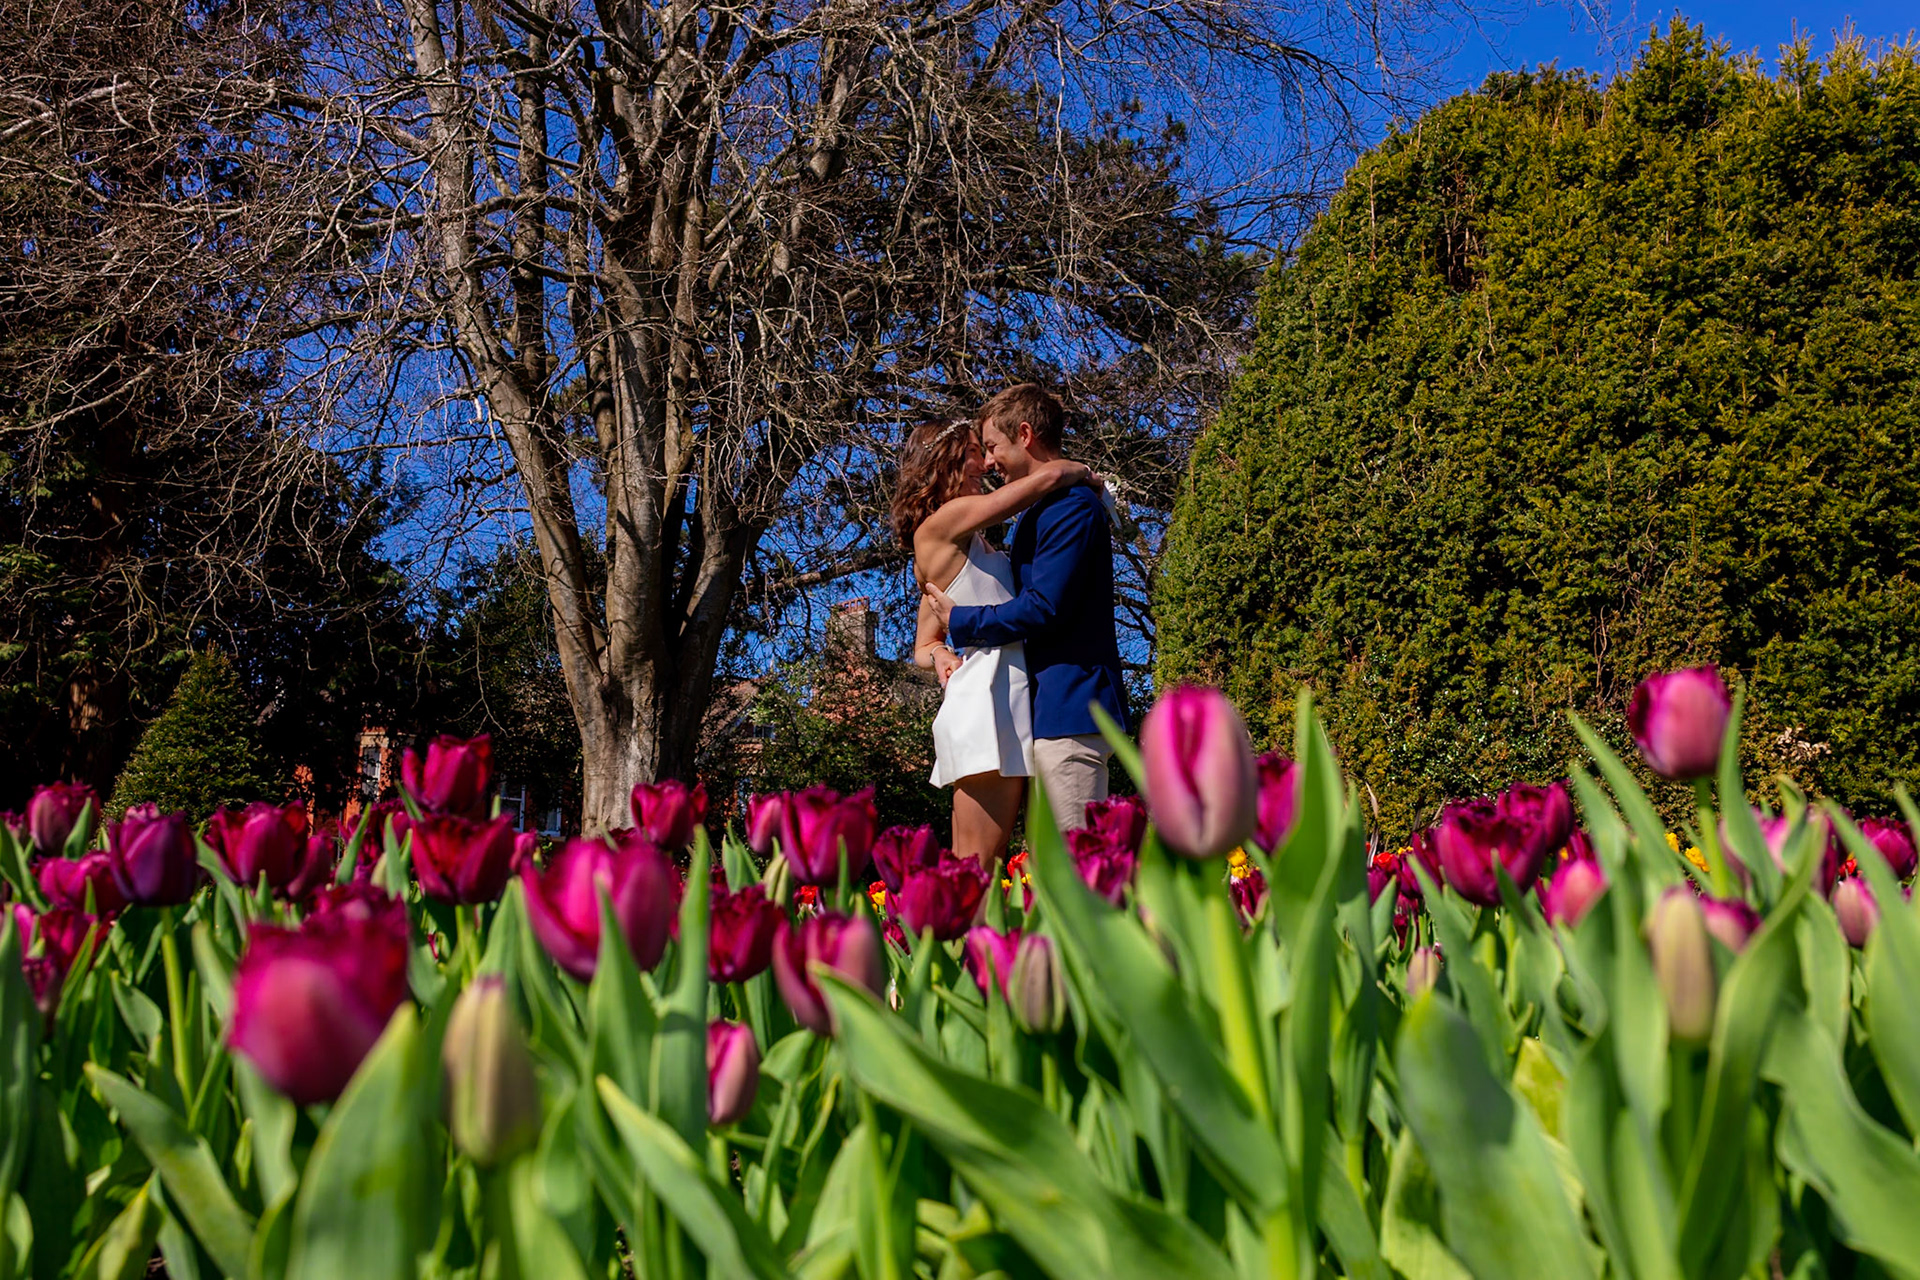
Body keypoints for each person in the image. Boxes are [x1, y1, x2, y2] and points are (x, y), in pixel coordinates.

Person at [893, 415, 1099, 867]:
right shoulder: (941, 524)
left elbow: (923, 645)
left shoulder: (967, 540)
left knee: (1005, 865)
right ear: (943, 462)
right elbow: (1040, 480)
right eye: (972, 452)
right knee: (977, 865)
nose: (983, 464)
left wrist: (943, 653)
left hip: (1012, 698)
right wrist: (1080, 472)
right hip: (986, 706)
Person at [923, 384, 1128, 835]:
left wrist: (961, 621)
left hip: (1071, 710)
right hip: (1040, 714)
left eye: (993, 446)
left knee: (1075, 880)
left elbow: (1044, 608)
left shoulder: (1072, 508)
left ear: (1026, 433)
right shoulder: (1042, 510)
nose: (990, 462)